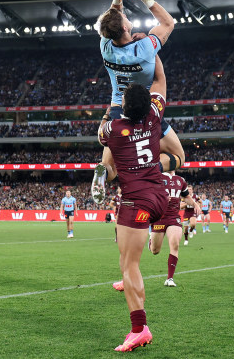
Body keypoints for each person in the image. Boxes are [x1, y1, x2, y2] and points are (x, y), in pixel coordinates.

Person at [91, 0, 184, 205]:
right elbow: (168, 23)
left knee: (109, 166)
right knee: (178, 157)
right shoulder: (145, 49)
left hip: (116, 112)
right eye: (122, 18)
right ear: (124, 29)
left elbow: (112, 19)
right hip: (146, 111)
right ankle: (147, 165)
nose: (124, 17)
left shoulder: (105, 47)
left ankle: (103, 173)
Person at [98, 60, 169, 351]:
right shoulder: (154, 116)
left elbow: (102, 133)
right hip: (159, 193)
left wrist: (109, 108)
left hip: (135, 198)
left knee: (129, 265)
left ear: (124, 106)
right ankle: (139, 323)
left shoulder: (113, 128)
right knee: (128, 264)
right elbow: (161, 79)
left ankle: (139, 328)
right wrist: (151, 51)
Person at [149, 171, 197, 287]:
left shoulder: (180, 180)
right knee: (155, 251)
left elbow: (186, 197)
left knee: (175, 244)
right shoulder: (156, 176)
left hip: (174, 218)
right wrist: (161, 199)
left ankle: (170, 278)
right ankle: (151, 241)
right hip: (159, 217)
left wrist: (196, 205)